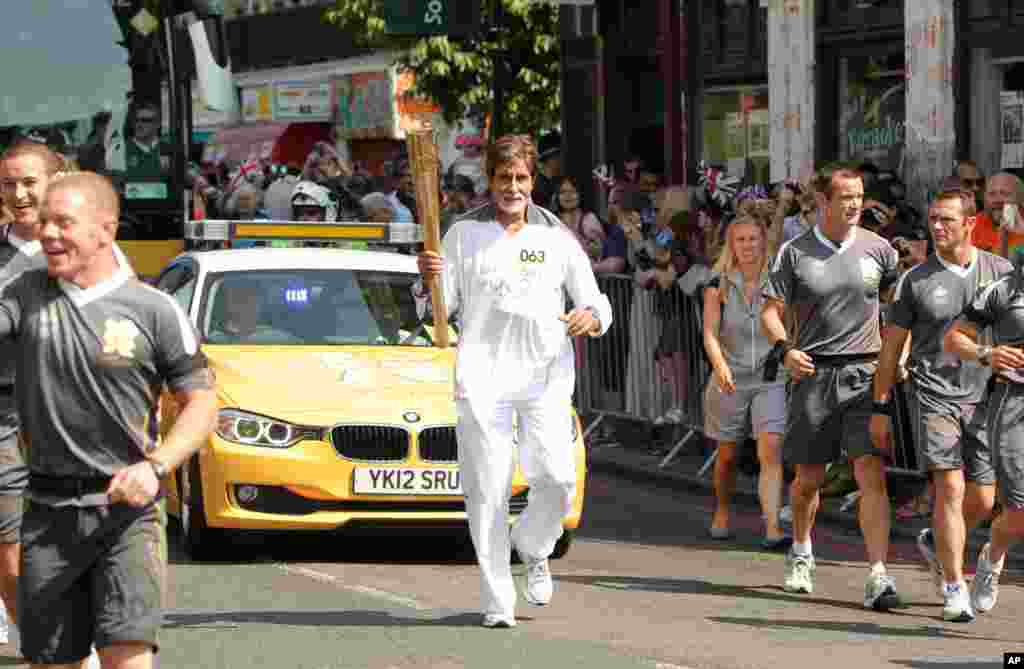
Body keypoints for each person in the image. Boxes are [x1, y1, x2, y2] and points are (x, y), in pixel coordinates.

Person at [4, 172, 217, 668]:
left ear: (105, 229)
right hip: (47, 511)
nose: (48, 234)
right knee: (53, 661)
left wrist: (156, 466)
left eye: (63, 222)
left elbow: (203, 403)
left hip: (125, 513)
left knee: (126, 654)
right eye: (44, 222)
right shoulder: (25, 294)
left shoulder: (154, 310)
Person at [415, 134, 612, 629]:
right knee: (488, 488)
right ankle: (497, 599)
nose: (514, 187)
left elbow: (595, 300)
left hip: (544, 376)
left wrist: (590, 316)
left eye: (522, 178)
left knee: (558, 479)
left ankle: (534, 545)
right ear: (491, 179)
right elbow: (438, 309)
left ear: (532, 180)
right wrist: (427, 280)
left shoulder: (556, 237)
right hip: (482, 375)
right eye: (505, 178)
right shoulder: (461, 235)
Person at [762, 163, 902, 609]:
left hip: (865, 374)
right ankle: (801, 549)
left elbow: (899, 312)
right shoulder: (794, 252)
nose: (856, 203)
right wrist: (786, 348)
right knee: (809, 480)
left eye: (859, 195)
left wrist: (899, 357)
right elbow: (769, 311)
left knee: (870, 473)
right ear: (822, 202)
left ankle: (878, 574)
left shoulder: (880, 250)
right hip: (814, 375)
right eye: (845, 196)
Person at [871, 189, 1010, 622]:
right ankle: (954, 586)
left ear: (970, 223)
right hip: (934, 395)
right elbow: (891, 348)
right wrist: (880, 406)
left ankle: (936, 542)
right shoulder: (915, 280)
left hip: (987, 398)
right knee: (949, 487)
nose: (937, 226)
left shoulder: (1000, 271)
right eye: (933, 218)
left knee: (984, 501)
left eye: (947, 219)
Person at [0, 141, 66, 646]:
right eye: (8, 184)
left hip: (72, 415)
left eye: (29, 183)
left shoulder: (83, 249)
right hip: (6, 414)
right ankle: (42, 643)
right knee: (10, 546)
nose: (19, 195)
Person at [703, 198, 790, 549]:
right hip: (731, 376)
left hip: (770, 376)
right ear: (731, 245)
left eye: (753, 239)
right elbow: (709, 332)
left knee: (770, 448)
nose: (748, 246)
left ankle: (772, 527)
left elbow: (780, 324)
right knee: (728, 455)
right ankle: (722, 509)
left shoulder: (778, 279)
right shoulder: (718, 282)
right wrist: (720, 365)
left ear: (763, 241)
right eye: (740, 240)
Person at [944, 245, 1024, 616]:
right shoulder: (1003, 289)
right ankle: (992, 556)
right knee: (1020, 510)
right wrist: (987, 354)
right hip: (1013, 403)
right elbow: (955, 338)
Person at [971, 172, 1024, 258]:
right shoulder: (973, 225)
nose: (997, 200)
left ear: (1021, 198)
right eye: (992, 194)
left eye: (1005, 194)